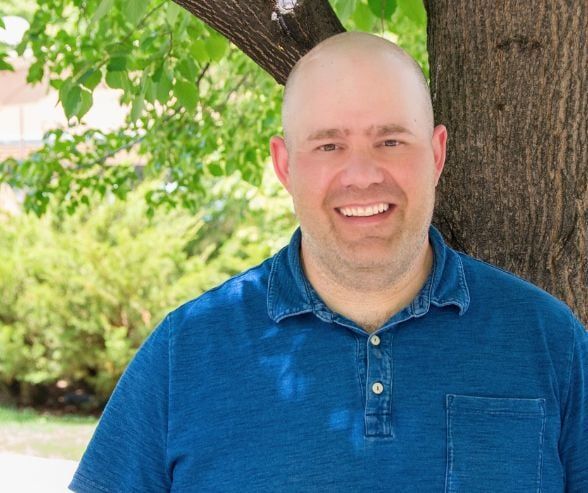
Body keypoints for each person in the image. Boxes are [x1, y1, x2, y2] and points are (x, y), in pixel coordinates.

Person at [69, 32, 587, 492]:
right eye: (329, 145)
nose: (362, 175)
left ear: (436, 154)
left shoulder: (550, 342)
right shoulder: (186, 353)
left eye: (390, 140)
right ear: (285, 165)